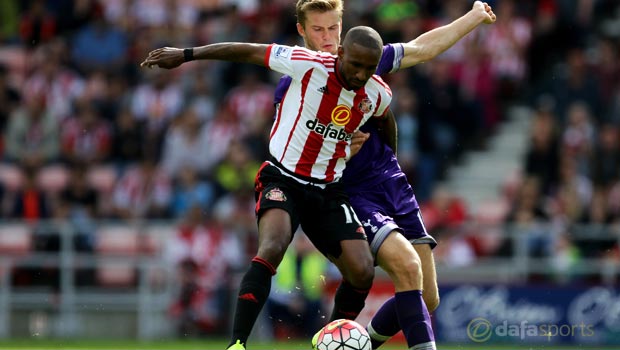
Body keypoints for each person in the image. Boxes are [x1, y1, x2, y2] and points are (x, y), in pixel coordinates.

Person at [141, 25, 393, 350]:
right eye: (355, 64)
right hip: (282, 177)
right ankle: (237, 344)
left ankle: (332, 342)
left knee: (362, 271)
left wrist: (386, 170)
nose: (361, 74)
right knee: (273, 247)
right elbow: (246, 49)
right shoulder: (310, 64)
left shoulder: (377, 93)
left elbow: (386, 120)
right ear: (341, 53)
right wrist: (187, 55)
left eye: (369, 68)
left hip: (328, 189)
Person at [278, 1, 495, 349]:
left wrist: (473, 17)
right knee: (408, 267)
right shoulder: (297, 84)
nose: (327, 38)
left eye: (333, 28)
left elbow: (422, 48)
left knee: (428, 297)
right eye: (318, 30)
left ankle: (358, 346)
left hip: (390, 181)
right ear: (302, 32)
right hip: (351, 192)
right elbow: (290, 156)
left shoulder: (362, 59)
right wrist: (338, 151)